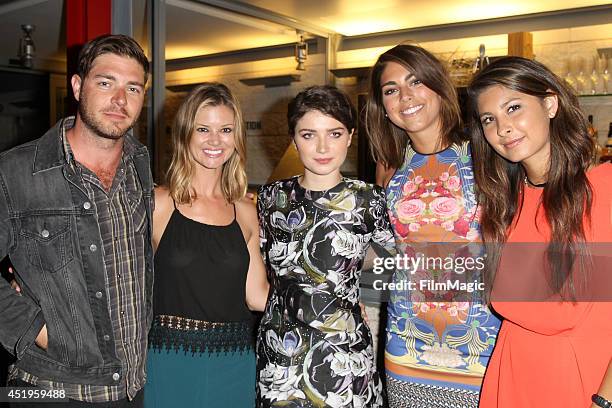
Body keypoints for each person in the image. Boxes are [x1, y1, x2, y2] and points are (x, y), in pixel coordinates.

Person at [0, 34, 152, 406]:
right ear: (77, 85)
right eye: (105, 83)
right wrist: (33, 328)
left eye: (133, 88)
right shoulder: (15, 172)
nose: (120, 100)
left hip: (129, 389)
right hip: (46, 387)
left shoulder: (141, 165)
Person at [467, 56, 612, 408]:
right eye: (490, 119)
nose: (502, 128)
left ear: (550, 103)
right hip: (512, 376)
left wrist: (604, 400)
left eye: (513, 107)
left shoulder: (604, 186)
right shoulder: (505, 205)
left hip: (584, 383)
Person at [365, 44, 501, 407]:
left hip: (483, 340)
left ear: (438, 86)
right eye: (391, 90)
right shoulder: (389, 167)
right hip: (407, 341)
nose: (405, 96)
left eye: (415, 82)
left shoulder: (486, 151)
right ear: (383, 105)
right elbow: (385, 252)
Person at [255, 85, 395, 407]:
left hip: (345, 357)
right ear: (293, 138)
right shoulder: (270, 198)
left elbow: (394, 263)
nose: (322, 146)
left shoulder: (369, 199)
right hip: (281, 353)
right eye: (308, 135)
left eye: (334, 133)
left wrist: (358, 295)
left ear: (350, 136)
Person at [145, 82, 269, 407]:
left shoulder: (246, 211)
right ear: (186, 134)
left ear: (236, 138)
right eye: (203, 129)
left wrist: (328, 297)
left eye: (225, 129)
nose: (215, 140)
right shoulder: (158, 204)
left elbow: (257, 297)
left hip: (235, 362)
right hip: (168, 362)